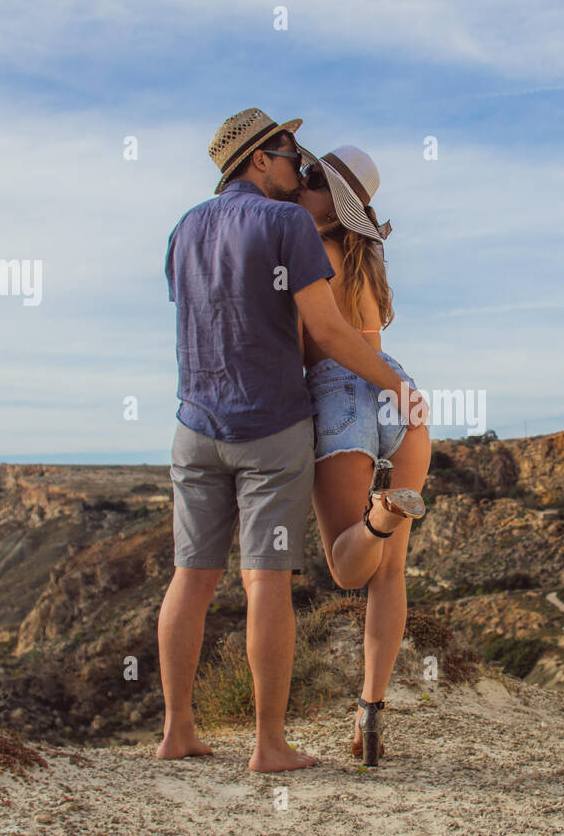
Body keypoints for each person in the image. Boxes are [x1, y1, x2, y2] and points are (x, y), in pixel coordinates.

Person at [156, 109, 424, 773]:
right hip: (273, 425)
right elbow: (332, 334)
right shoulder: (286, 226)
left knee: (190, 578)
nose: (293, 164)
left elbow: (200, 310)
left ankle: (177, 731)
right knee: (267, 581)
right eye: (288, 154)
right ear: (257, 161)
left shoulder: (183, 228)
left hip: (196, 423)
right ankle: (270, 745)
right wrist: (394, 386)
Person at [295, 145, 432, 766]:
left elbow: (314, 342)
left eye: (312, 177)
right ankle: (370, 714)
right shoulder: (366, 260)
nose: (301, 182)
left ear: (332, 198)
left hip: (339, 393)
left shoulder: (308, 253)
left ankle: (380, 513)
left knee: (349, 567)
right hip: (399, 397)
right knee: (391, 574)